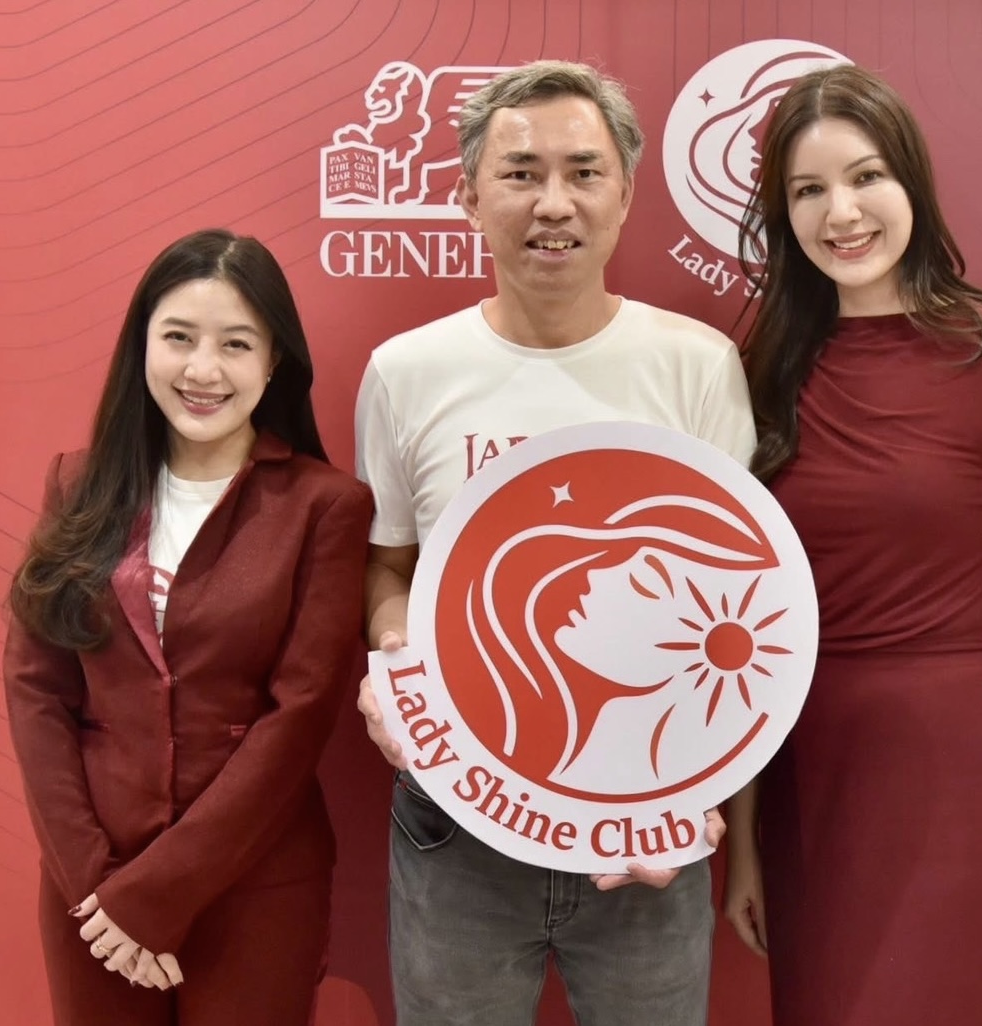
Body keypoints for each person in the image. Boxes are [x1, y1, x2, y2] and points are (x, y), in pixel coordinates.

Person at [354, 60, 756, 1026]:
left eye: (583, 172)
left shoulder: (697, 366)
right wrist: (395, 662)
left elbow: (744, 609)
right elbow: (390, 563)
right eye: (521, 173)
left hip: (648, 829)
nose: (553, 204)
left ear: (625, 194)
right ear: (469, 196)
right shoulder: (406, 372)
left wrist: (702, 788)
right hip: (458, 822)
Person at [721, 64, 982, 1026]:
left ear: (912, 185)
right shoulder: (761, 372)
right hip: (805, 767)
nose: (842, 213)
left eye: (866, 177)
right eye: (808, 190)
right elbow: (745, 626)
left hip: (956, 768)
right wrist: (748, 843)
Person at [3, 228, 373, 1026]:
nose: (203, 370)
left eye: (236, 344)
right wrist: (98, 889)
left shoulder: (325, 506)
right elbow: (36, 690)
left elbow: (301, 715)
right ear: (142, 344)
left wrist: (158, 893)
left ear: (273, 363)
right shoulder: (78, 486)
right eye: (179, 338)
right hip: (91, 892)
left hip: (256, 885)